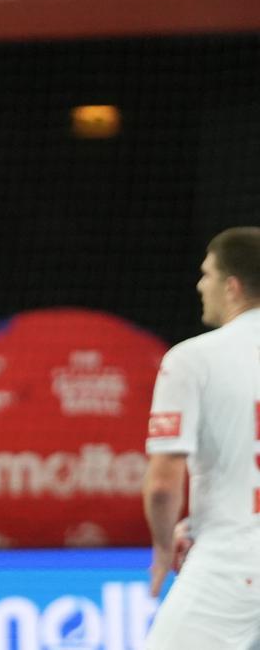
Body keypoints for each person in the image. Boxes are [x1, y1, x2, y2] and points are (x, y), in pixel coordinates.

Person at [142, 226, 260, 649]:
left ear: (233, 286)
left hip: (232, 562)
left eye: (207, 274)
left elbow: (162, 484)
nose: (199, 284)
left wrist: (160, 546)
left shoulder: (193, 359)